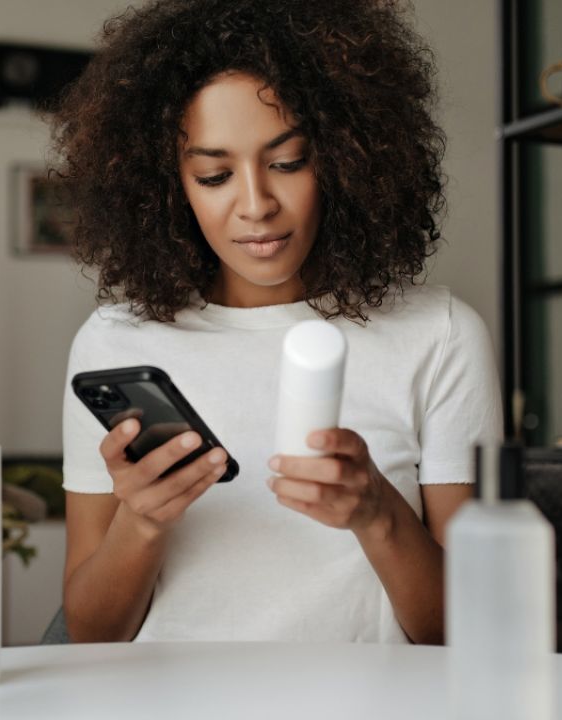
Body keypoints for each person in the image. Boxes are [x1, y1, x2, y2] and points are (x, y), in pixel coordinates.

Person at [52, 0, 501, 644]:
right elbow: (92, 637)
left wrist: (378, 515)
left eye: (288, 162)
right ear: (168, 185)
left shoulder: (441, 334)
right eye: (213, 175)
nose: (257, 205)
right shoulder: (115, 342)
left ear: (348, 157)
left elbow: (471, 634)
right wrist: (142, 521)